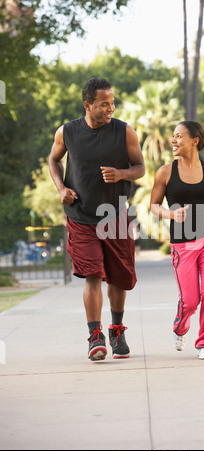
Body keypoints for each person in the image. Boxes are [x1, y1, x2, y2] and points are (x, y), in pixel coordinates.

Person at [49, 78, 145, 361]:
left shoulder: (124, 132)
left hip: (114, 215)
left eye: (113, 102)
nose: (111, 108)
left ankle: (117, 330)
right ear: (88, 105)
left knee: (118, 278)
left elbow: (140, 168)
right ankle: (95, 336)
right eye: (104, 104)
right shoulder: (67, 132)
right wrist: (61, 189)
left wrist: (122, 174)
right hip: (81, 216)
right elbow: (53, 160)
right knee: (92, 275)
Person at [150, 121, 204, 360]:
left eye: (179, 136)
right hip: (182, 244)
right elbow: (153, 206)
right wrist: (171, 214)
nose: (174, 141)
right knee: (190, 300)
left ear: (195, 140)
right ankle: (181, 323)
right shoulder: (165, 172)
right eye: (173, 136)